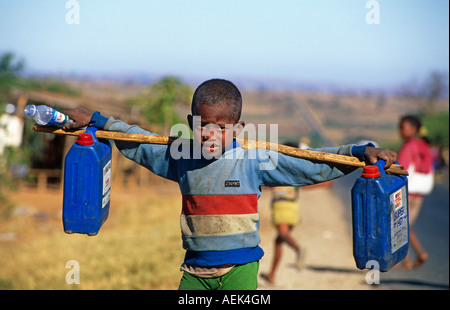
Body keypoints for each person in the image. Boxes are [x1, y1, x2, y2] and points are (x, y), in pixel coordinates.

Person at [63, 78, 398, 290]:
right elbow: (138, 140)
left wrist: (357, 152)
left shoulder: (255, 159)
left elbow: (310, 164)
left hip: (240, 268)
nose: (211, 133)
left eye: (222, 127)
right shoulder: (180, 157)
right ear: (192, 123)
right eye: (204, 124)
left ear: (238, 129)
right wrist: (97, 120)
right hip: (194, 269)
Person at [398, 115, 433, 269]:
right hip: (419, 194)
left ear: (413, 129)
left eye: (402, 128)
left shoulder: (409, 146)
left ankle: (419, 254)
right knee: (403, 225)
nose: (400, 131)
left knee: (402, 225)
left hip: (407, 192)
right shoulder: (424, 146)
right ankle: (407, 260)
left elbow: (401, 170)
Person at [264, 143, 303, 283]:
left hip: (282, 206)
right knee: (278, 241)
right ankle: (271, 275)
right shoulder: (297, 171)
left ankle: (298, 249)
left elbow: (264, 183)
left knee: (282, 235)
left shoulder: (277, 168)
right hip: (293, 207)